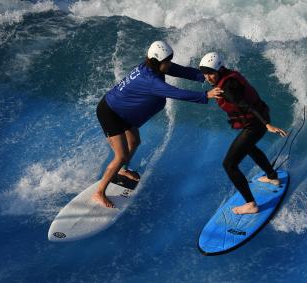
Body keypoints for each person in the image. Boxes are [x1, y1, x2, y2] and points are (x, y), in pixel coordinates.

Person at [94, 41, 223, 208]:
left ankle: (122, 170)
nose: (169, 64)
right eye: (167, 62)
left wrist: (206, 77)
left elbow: (181, 71)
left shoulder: (154, 66)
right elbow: (176, 93)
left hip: (122, 111)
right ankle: (99, 192)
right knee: (120, 155)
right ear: (156, 62)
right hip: (110, 113)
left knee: (134, 142)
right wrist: (206, 95)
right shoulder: (151, 80)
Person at [199, 52, 287, 215]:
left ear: (219, 70)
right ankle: (272, 176)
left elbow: (246, 105)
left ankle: (251, 204)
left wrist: (267, 124)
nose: (208, 77)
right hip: (257, 120)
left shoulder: (228, 88)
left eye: (210, 73)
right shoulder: (226, 76)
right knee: (249, 148)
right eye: (205, 74)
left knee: (229, 164)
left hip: (256, 123)